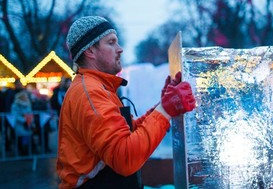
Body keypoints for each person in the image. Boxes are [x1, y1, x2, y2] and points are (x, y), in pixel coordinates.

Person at [56, 16, 196, 189]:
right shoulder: (90, 92)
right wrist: (166, 109)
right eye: (111, 42)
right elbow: (125, 158)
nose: (120, 49)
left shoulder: (99, 87)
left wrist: (162, 106)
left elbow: (129, 133)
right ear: (90, 51)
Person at [11, 89, 34, 155]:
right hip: (20, 124)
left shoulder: (27, 104)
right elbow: (15, 115)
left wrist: (29, 120)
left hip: (26, 124)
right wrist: (24, 120)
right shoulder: (15, 105)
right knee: (19, 138)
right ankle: (20, 151)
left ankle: (25, 151)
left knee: (25, 137)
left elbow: (30, 112)